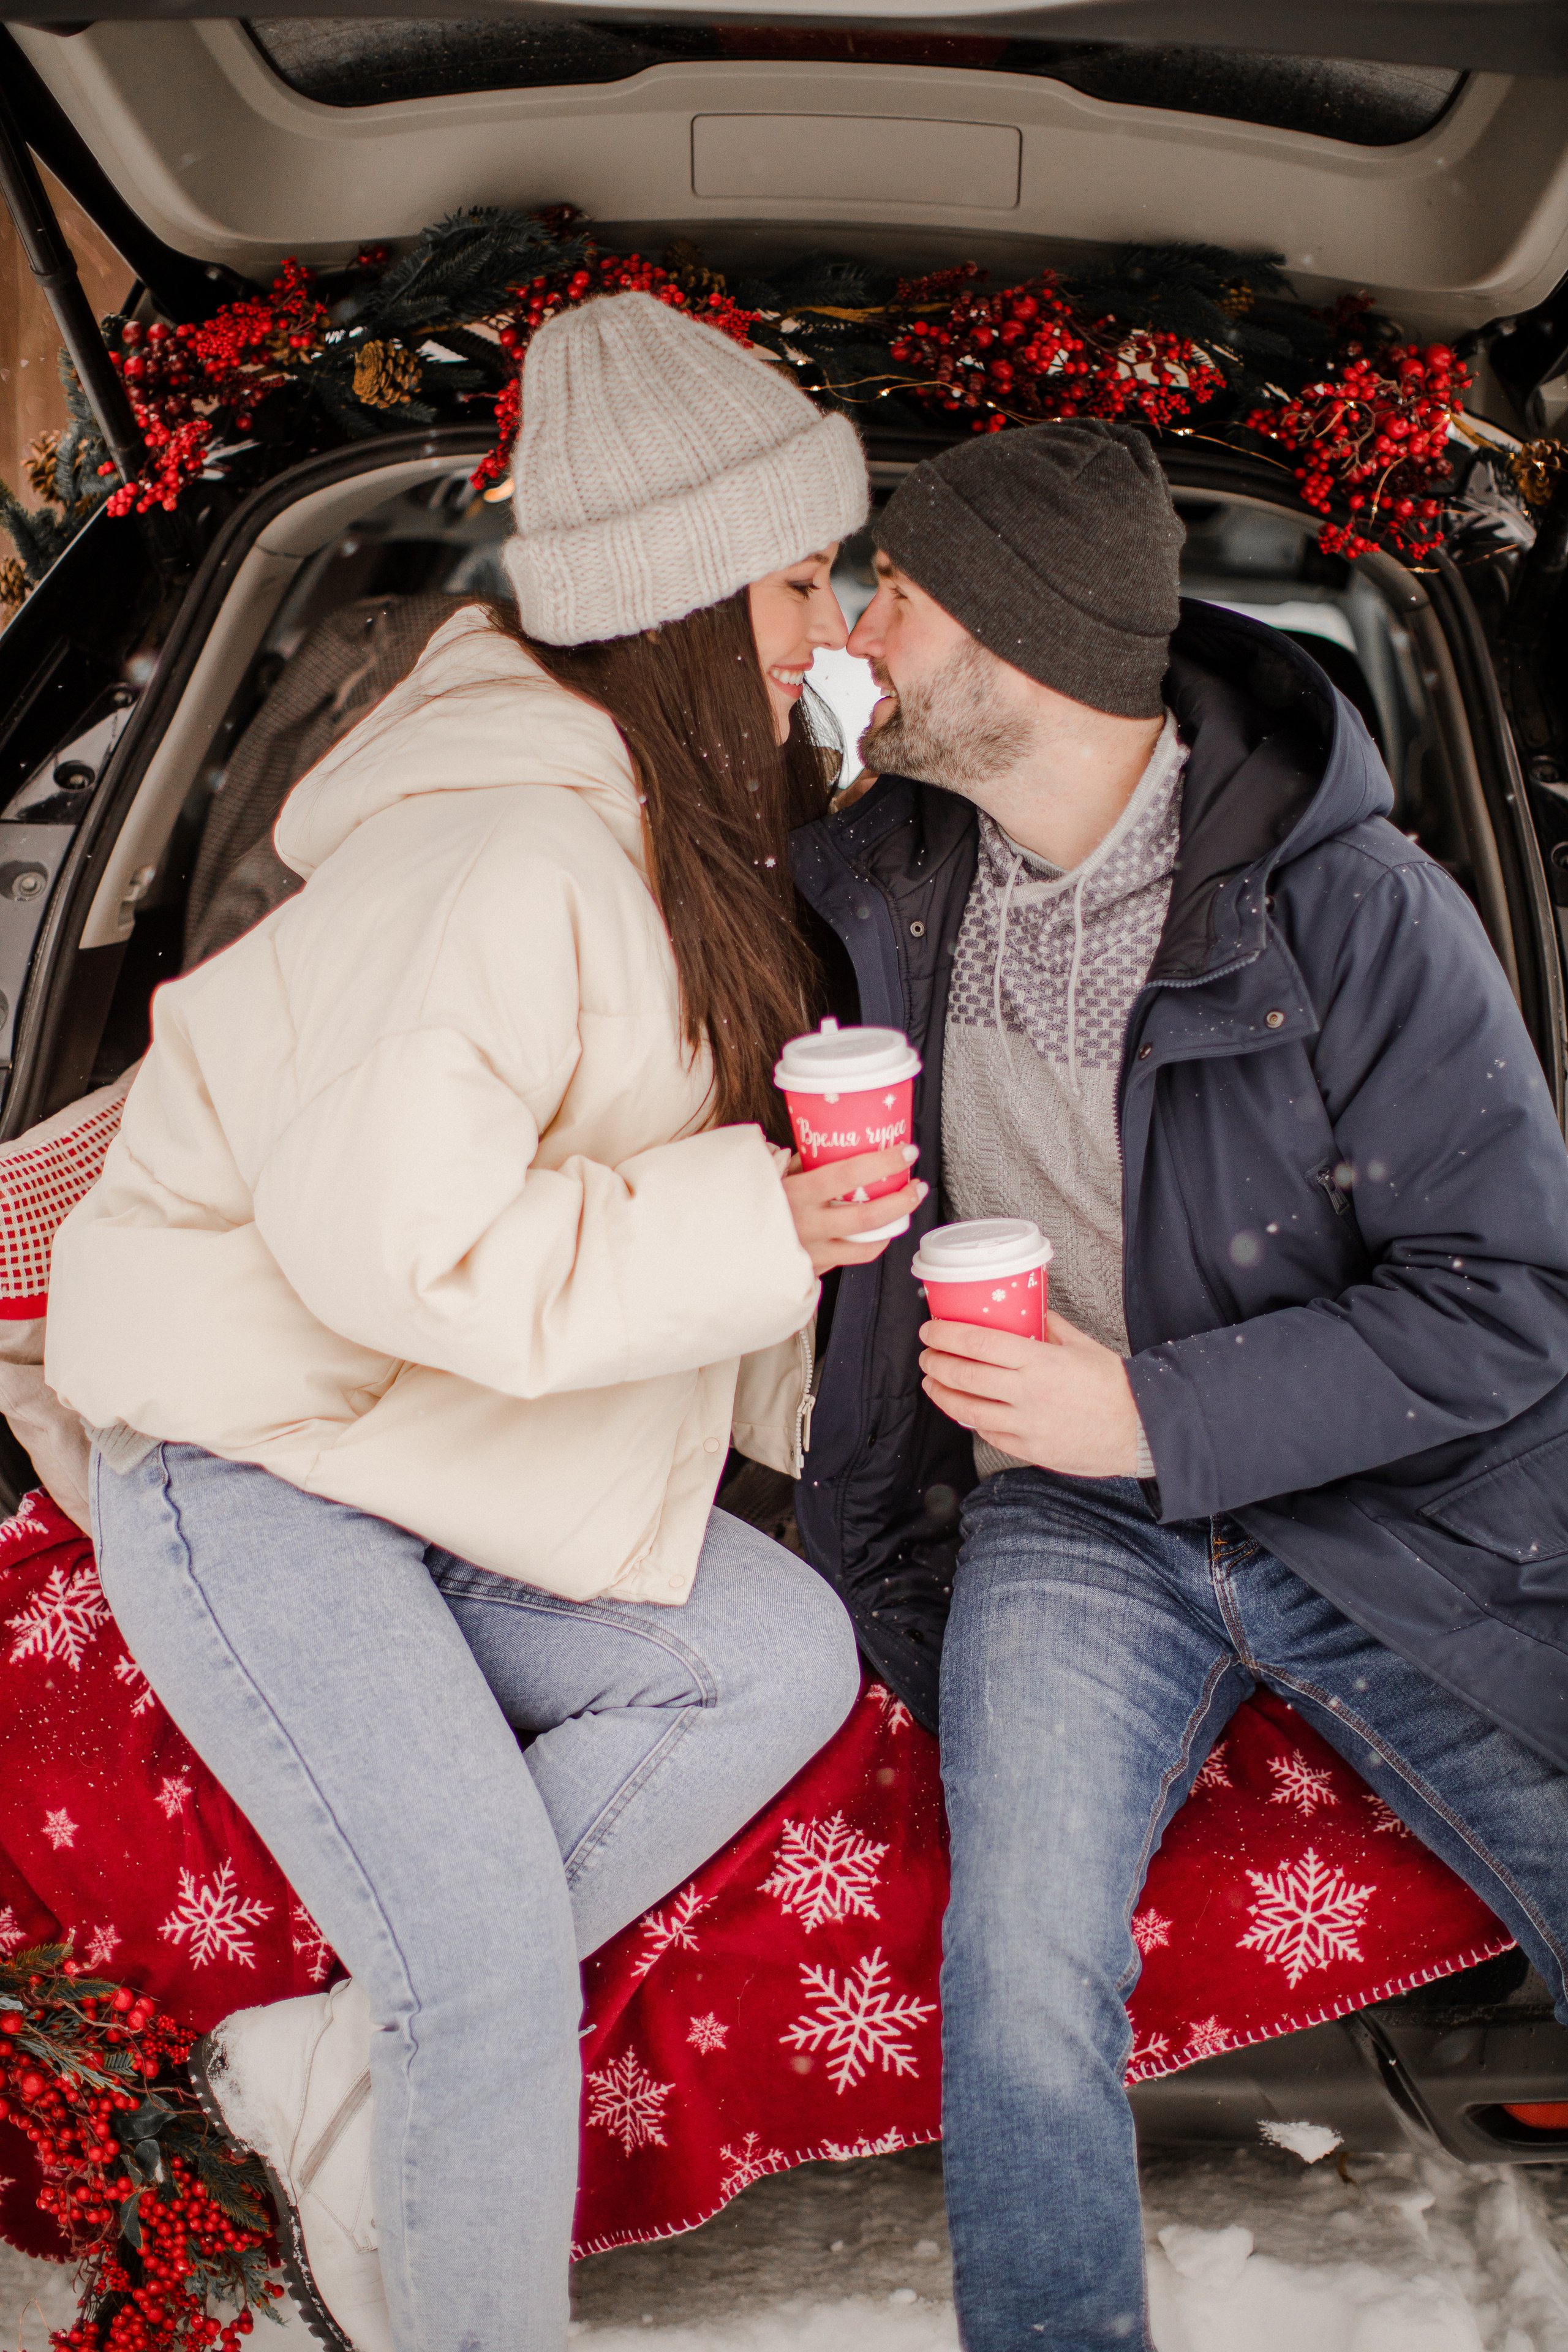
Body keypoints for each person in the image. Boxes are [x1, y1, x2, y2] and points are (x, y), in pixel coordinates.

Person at [44, 293, 927, 2352]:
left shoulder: (674, 824)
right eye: (802, 577)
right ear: (690, 591)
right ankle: (444, 2093)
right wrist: (764, 1220)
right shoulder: (503, 852)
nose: (833, 623)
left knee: (776, 1653)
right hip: (266, 1445)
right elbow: (393, 1253)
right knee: (490, 1968)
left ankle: (345, 2041)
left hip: (427, 1442)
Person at [787, 420, 1568, 2352]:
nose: (861, 632)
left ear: (1023, 642)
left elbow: (1508, 1299)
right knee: (1021, 1966)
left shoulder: (1358, 910)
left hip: (1386, 1509)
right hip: (1067, 1525)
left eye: (898, 592)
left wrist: (1154, 1414)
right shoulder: (880, 882)